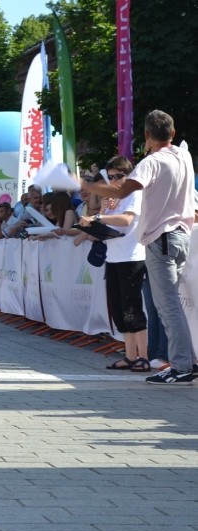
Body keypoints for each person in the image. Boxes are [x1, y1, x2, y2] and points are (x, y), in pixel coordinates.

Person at [82, 110, 195, 385]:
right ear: (173, 132)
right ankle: (184, 362)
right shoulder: (184, 156)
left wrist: (85, 184)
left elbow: (121, 192)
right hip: (181, 236)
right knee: (172, 305)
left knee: (167, 306)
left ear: (146, 136)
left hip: (161, 239)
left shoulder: (150, 162)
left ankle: (181, 365)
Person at [78, 155, 148, 372]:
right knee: (118, 308)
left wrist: (99, 219)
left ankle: (143, 356)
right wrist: (102, 212)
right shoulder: (113, 197)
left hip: (132, 256)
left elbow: (127, 220)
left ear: (128, 175)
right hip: (114, 256)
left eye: (119, 176)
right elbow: (105, 222)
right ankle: (129, 355)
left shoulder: (134, 193)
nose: (115, 181)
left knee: (132, 308)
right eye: (111, 177)